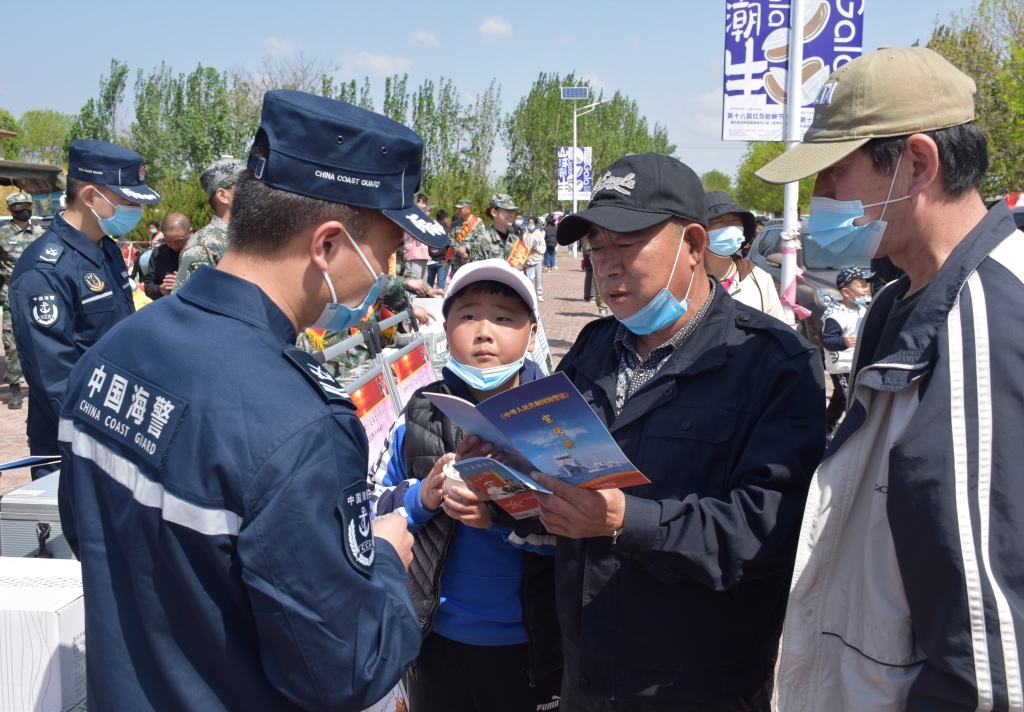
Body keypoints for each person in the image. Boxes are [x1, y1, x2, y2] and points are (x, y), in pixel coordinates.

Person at [55, 89, 444, 711]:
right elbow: (342, 671)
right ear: (328, 246)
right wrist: (387, 569)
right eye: (386, 251)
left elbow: (95, 541)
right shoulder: (299, 422)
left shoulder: (115, 349)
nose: (388, 271)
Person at [755, 46, 1024, 711]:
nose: (819, 202)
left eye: (834, 175)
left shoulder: (980, 320)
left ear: (919, 164)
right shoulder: (895, 303)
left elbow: (986, 660)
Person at [526, 152, 824, 710]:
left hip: (696, 686)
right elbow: (559, 474)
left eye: (626, 244)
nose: (606, 267)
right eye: (595, 248)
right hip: (585, 676)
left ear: (692, 244)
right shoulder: (591, 347)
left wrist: (626, 521)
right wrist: (503, 483)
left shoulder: (771, 362)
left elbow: (767, 530)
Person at [371, 258, 562, 712]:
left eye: (503, 317)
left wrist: (499, 513)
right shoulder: (419, 414)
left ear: (532, 333)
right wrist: (422, 497)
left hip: (533, 645)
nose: (484, 331)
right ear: (445, 326)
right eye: (468, 315)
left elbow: (585, 528)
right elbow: (371, 504)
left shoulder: (557, 420)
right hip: (435, 641)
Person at [9, 140, 160, 479]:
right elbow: (56, 380)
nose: (135, 208)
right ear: (92, 197)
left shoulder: (106, 251)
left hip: (119, 432)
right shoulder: (45, 270)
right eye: (128, 200)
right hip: (77, 446)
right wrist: (109, 438)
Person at [703, 191, 784, 319]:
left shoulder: (760, 279)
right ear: (701, 232)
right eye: (719, 221)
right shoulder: (686, 280)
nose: (730, 228)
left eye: (735, 221)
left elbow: (780, 331)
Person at [172, 156, 245, 293]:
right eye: (246, 185)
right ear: (222, 195)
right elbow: (189, 309)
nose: (256, 191)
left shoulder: (251, 238)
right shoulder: (202, 247)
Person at [1, 191, 44, 409]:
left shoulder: (40, 233)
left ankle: (39, 385)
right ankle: (15, 387)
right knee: (11, 344)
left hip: (38, 295)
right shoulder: (2, 235)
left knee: (40, 341)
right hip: (11, 295)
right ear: (10, 210)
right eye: (19, 207)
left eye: (27, 205)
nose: (24, 210)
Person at [820, 267, 873, 440]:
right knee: (847, 398)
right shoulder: (835, 315)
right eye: (861, 285)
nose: (866, 288)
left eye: (866, 285)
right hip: (842, 365)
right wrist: (844, 342)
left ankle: (826, 428)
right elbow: (827, 340)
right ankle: (847, 432)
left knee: (840, 398)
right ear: (846, 291)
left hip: (857, 362)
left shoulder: (862, 309)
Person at [143, 213, 190, 300]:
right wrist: (160, 290)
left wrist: (185, 282)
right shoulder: (158, 253)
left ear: (190, 233)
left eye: (179, 241)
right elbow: (149, 285)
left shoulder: (204, 250)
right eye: (168, 241)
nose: (174, 246)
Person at [448, 199, 487, 274]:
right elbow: (451, 238)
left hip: (472, 260)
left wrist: (466, 248)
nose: (458, 210)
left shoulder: (477, 222)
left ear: (468, 209)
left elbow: (480, 239)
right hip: (457, 261)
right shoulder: (455, 224)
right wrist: (459, 250)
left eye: (461, 208)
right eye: (458, 208)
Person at [402, 193, 432, 280]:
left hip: (424, 255)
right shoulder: (409, 215)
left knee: (423, 288)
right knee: (414, 288)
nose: (424, 206)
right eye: (422, 203)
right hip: (413, 255)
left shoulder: (423, 217)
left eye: (425, 204)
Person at [522, 215, 546, 301]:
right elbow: (523, 246)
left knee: (538, 279)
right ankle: (530, 294)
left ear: (535, 224)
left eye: (532, 223)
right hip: (528, 261)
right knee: (529, 279)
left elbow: (543, 247)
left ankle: (539, 294)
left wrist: (537, 248)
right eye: (529, 223)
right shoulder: (526, 234)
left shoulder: (539, 234)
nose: (530, 224)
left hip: (537, 260)